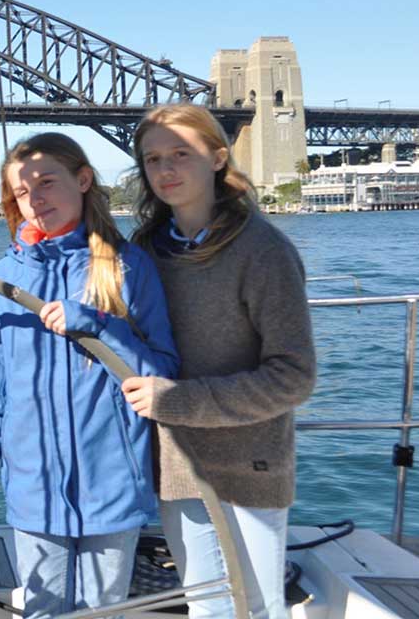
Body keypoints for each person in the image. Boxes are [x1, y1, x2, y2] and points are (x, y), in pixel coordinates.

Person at [0, 132, 179, 618]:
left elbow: (163, 372)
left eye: (47, 182)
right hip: (34, 492)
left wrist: (100, 326)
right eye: (23, 192)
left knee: (103, 610)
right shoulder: (2, 284)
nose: (36, 199)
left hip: (113, 490)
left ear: (84, 179)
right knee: (41, 610)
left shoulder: (129, 268)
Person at [122, 104, 316, 619]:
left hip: (248, 465)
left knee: (255, 607)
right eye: (153, 158)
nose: (165, 169)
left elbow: (294, 376)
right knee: (207, 607)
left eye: (181, 154)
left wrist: (178, 402)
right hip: (177, 465)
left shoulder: (263, 251)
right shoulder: (144, 252)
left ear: (217, 157)